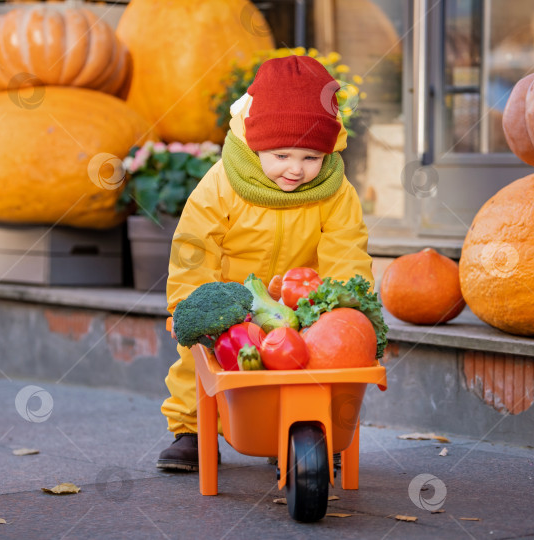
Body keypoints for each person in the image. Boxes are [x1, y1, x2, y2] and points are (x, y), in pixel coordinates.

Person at [157, 55, 374, 470]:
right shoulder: (222, 183)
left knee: (305, 362)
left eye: (311, 158)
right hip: (227, 299)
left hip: (298, 297)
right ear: (256, 144)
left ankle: (298, 431)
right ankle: (190, 429)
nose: (296, 169)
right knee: (199, 359)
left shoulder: (335, 190)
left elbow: (347, 249)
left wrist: (347, 307)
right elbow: (194, 246)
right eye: (283, 155)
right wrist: (189, 300)